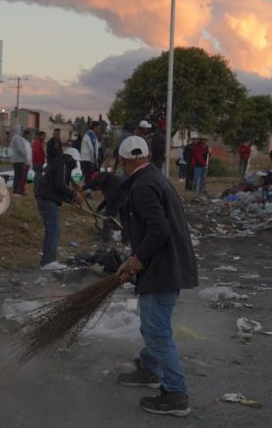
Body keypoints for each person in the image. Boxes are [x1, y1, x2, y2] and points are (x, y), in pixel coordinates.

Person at [114, 135, 198, 418]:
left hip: (163, 267)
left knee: (156, 330)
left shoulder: (142, 187)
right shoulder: (155, 178)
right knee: (151, 324)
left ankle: (177, 395)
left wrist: (138, 259)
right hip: (168, 264)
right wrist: (132, 261)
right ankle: (150, 369)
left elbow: (159, 230)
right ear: (147, 156)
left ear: (124, 161)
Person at [35, 148, 84, 271]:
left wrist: (73, 202)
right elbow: (59, 185)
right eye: (74, 161)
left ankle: (47, 261)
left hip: (47, 199)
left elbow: (59, 191)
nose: (75, 164)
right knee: (53, 230)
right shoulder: (62, 164)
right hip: (47, 200)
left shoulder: (62, 166)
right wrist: (74, 195)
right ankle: (48, 262)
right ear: (68, 157)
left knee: (52, 230)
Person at [83, 171, 124, 243]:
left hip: (118, 198)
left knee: (107, 217)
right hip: (121, 197)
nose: (97, 188)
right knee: (112, 217)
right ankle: (120, 233)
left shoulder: (102, 176)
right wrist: (98, 209)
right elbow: (105, 201)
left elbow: (97, 181)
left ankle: (105, 239)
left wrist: (83, 188)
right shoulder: (108, 183)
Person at [80, 121, 102, 187]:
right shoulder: (90, 136)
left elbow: (95, 147)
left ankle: (85, 191)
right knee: (88, 178)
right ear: (94, 127)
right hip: (88, 160)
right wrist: (94, 161)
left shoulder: (91, 135)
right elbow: (92, 150)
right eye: (98, 127)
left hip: (87, 159)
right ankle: (86, 193)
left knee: (87, 177)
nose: (99, 129)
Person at [10, 124, 29, 196]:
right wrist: (25, 154)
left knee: (19, 176)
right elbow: (20, 148)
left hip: (19, 160)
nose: (22, 131)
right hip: (19, 160)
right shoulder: (17, 138)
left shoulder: (16, 137)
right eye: (21, 129)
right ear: (18, 130)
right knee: (19, 176)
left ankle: (18, 190)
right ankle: (16, 191)